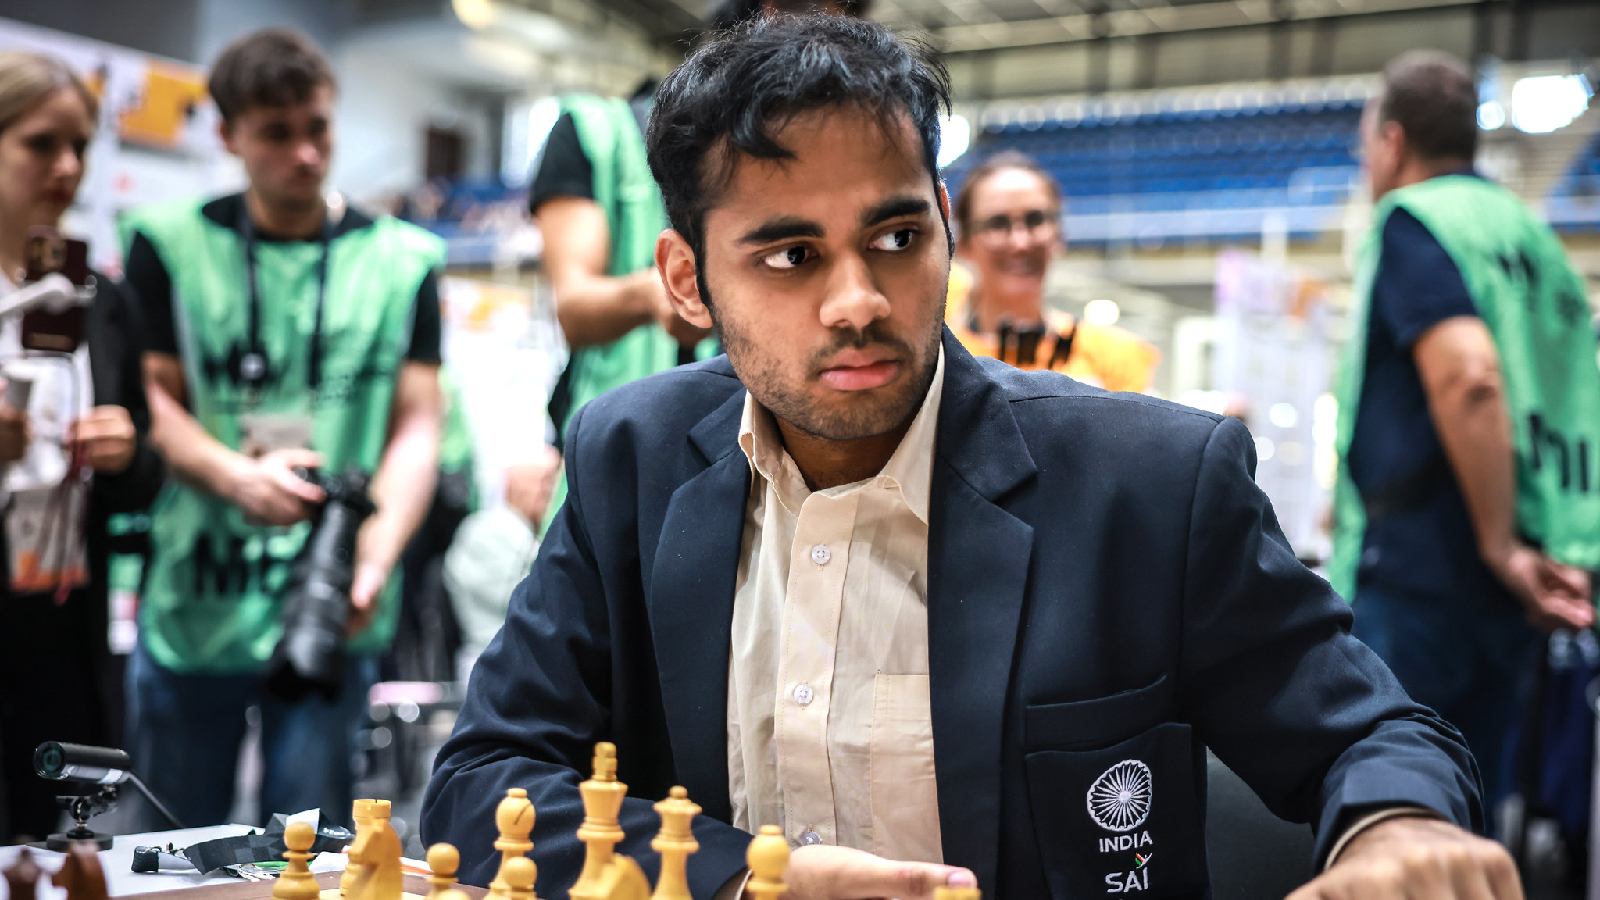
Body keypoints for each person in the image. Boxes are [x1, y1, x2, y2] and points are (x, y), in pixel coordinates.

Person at [424, 16, 1518, 900]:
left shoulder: (1152, 485)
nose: (856, 300)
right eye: (790, 254)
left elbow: (1379, 733)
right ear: (684, 279)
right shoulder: (632, 460)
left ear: (945, 224)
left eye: (896, 239)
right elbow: (483, 782)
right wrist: (750, 881)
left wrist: (1395, 829)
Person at [121, 29, 444, 827]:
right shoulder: (169, 243)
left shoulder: (406, 260)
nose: (305, 153)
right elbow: (150, 401)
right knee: (171, 847)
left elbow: (417, 427)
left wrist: (369, 567)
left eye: (319, 128)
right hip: (199, 591)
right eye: (276, 133)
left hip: (335, 600)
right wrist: (235, 477)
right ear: (228, 135)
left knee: (305, 850)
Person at [1329, 51, 1600, 824]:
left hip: (1434, 566)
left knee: (1398, 806)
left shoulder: (1419, 220)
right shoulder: (1534, 239)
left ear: (1392, 142)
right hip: (1533, 566)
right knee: (1481, 808)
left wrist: (1496, 545)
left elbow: (1471, 377)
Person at [531, 0, 862, 517]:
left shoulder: (808, 161)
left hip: (767, 477)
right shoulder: (595, 131)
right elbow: (573, 307)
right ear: (771, 18)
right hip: (623, 474)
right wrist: (658, 294)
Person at [0, 50, 163, 844]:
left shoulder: (99, 298)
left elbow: (145, 485)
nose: (66, 168)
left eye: (80, 148)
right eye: (40, 144)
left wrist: (129, 453)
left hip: (61, 627)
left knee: (41, 851)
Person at [949, 151, 1158, 392]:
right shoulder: (941, 358)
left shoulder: (1115, 357)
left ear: (1059, 235)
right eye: (998, 224)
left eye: (1035, 220)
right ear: (963, 243)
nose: (1020, 242)